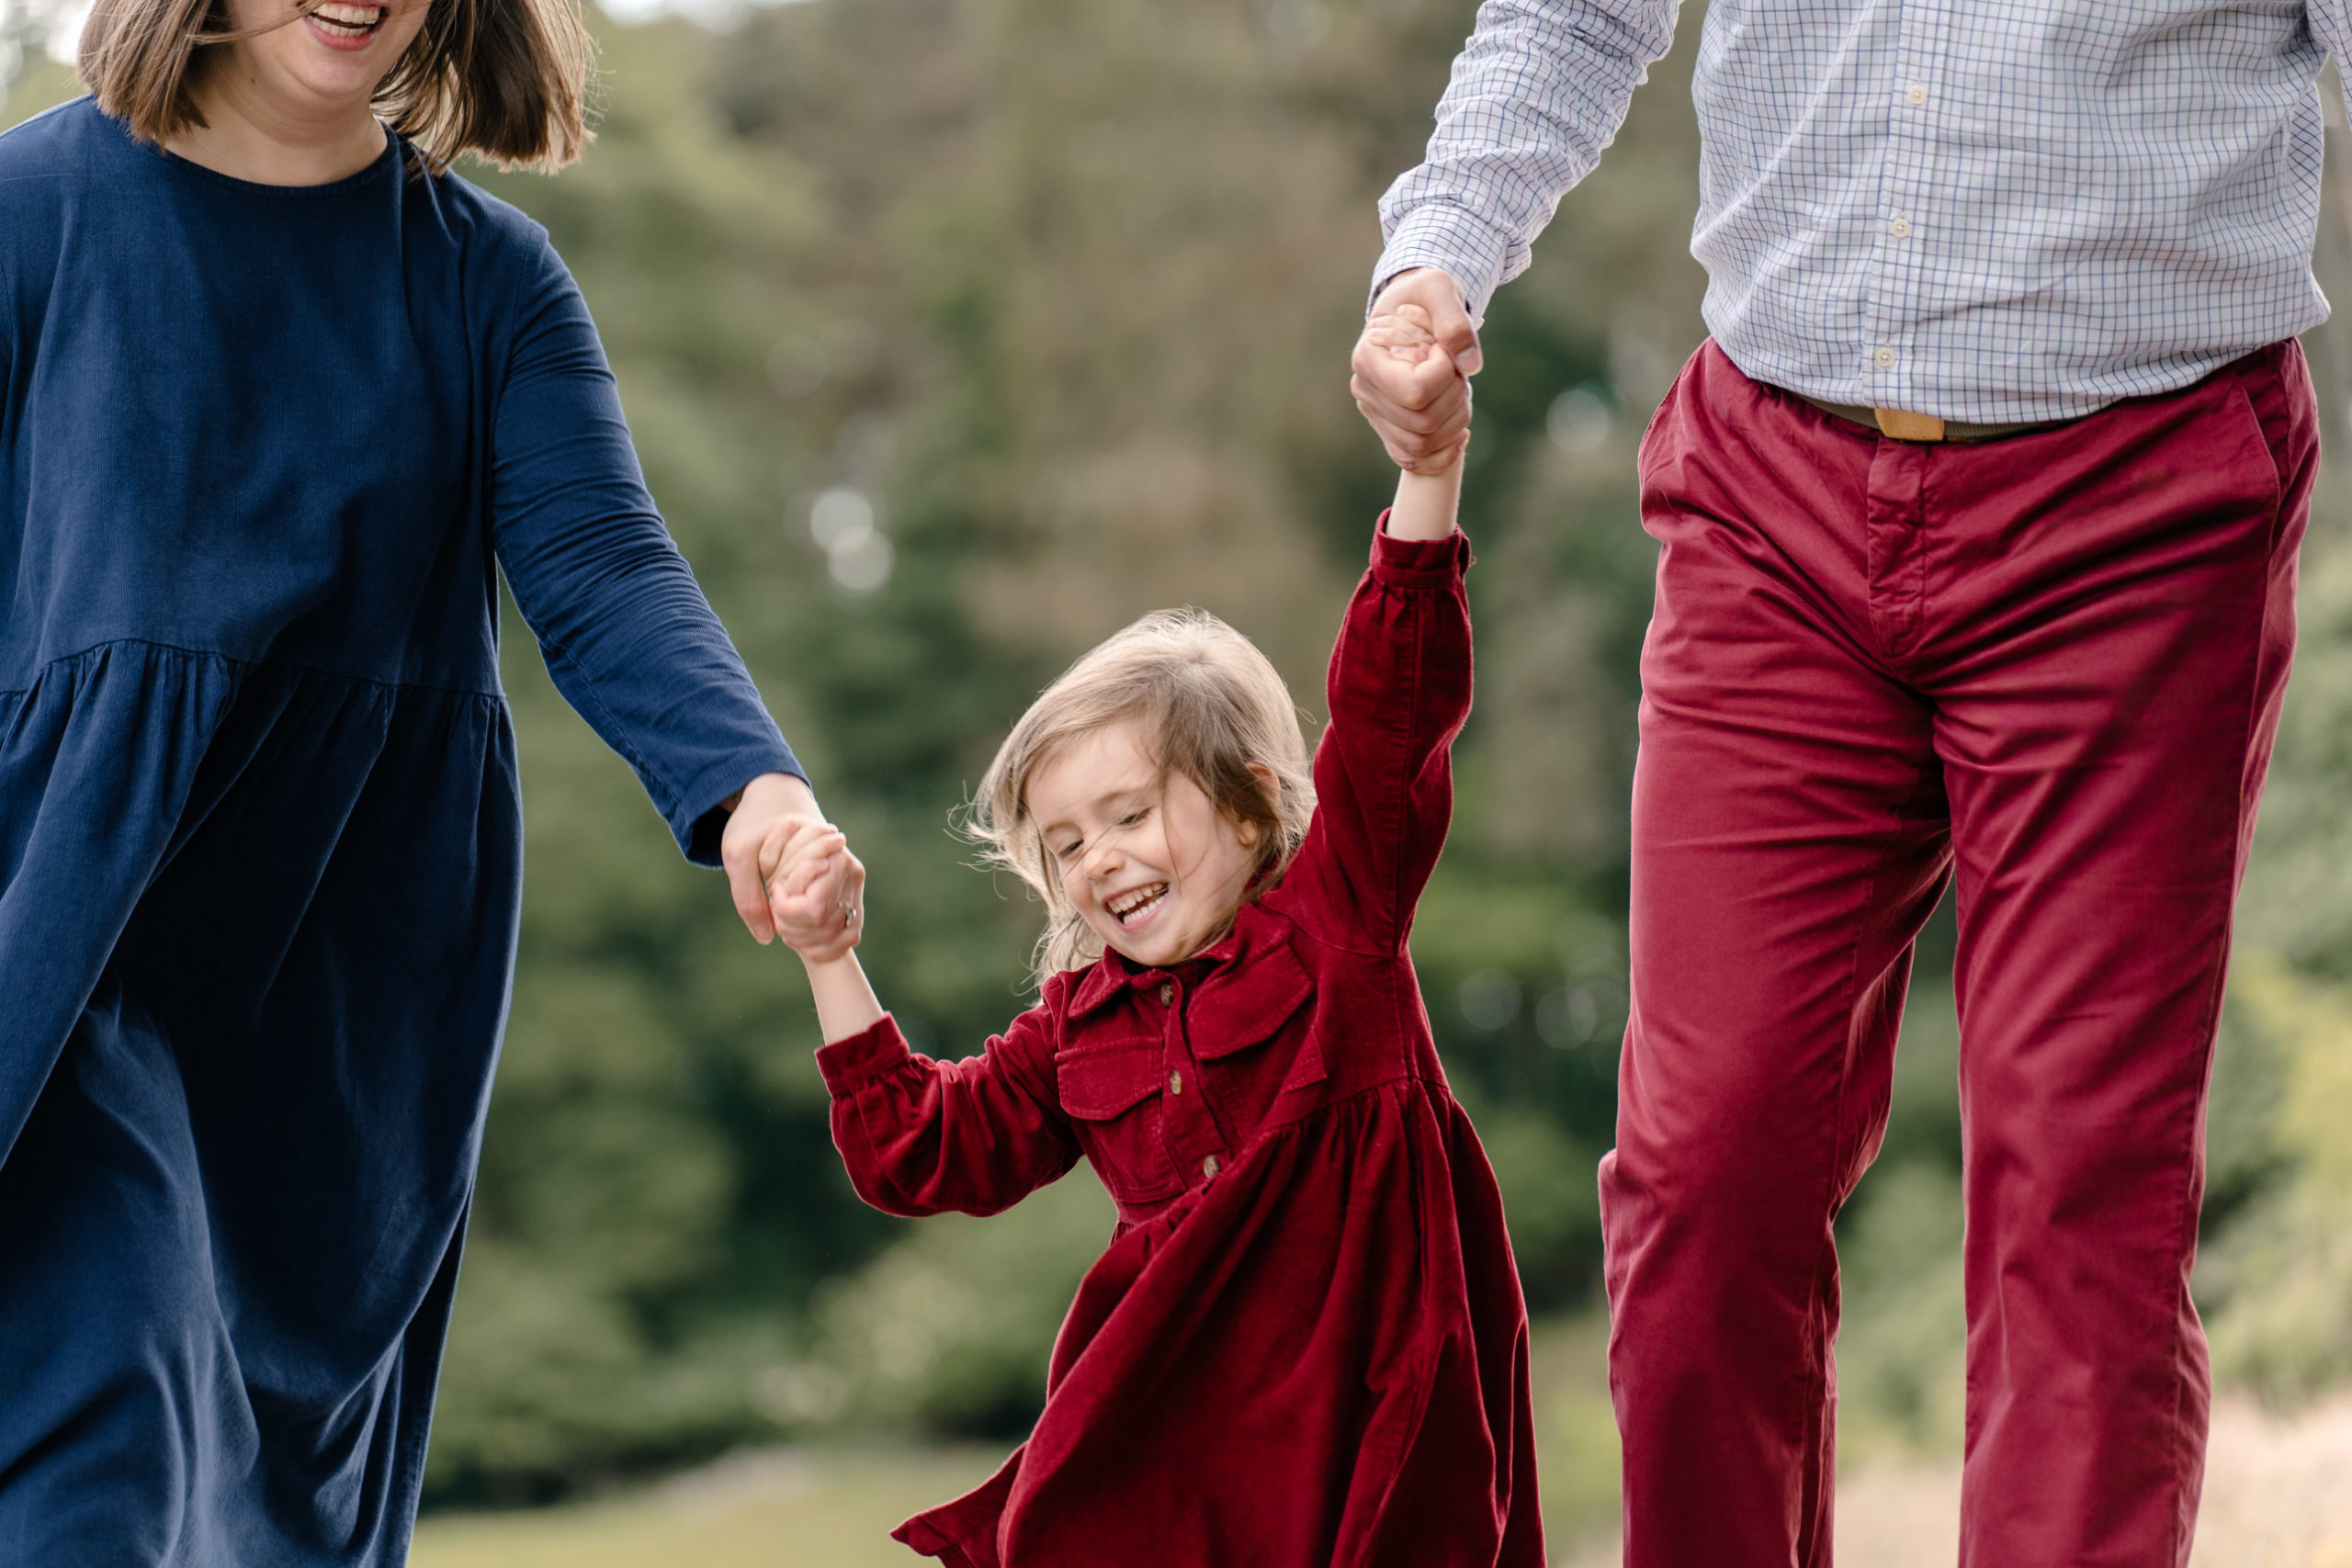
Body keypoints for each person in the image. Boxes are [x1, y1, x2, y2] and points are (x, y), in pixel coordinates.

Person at [1350, 2, 2337, 1563]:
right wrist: (1438, 254)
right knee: (1703, 1173)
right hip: (1776, 490)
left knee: (2079, 1201)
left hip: (2137, 510)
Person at [0, 0, 861, 1561]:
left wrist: (754, 791)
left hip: (349, 972)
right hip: (69, 915)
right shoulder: (28, 218)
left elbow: (604, 568)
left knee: (276, 1521)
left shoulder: (485, 282)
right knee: (93, 1433)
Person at [760, 307, 1542, 1568]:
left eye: (1130, 813)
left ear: (1244, 804)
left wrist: (1428, 469)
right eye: (1066, 845)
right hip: (1174, 1467)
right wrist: (825, 954)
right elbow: (917, 1149)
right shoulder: (1079, 1028)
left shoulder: (1338, 924)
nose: (1101, 858)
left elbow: (1393, 699)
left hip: (1367, 1428)